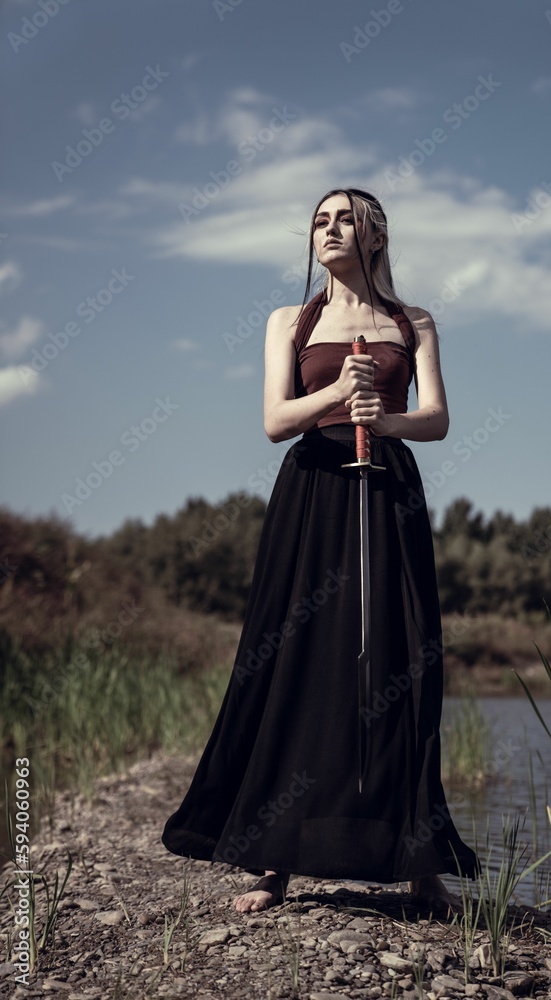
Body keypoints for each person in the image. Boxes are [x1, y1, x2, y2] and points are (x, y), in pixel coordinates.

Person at [161, 186, 479, 915]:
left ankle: (418, 864)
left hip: (388, 489)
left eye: (345, 220)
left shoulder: (412, 321)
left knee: (403, 661)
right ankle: (272, 861)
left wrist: (386, 419)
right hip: (312, 493)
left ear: (375, 237)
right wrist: (337, 391)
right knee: (296, 660)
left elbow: (436, 418)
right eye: (319, 220)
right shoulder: (289, 320)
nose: (328, 230)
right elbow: (275, 420)